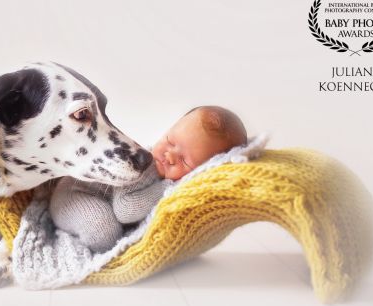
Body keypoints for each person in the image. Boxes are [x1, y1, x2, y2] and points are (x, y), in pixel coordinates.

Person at [49, 106, 248, 253]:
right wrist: (167, 187)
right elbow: (125, 209)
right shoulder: (146, 166)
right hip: (74, 196)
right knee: (103, 230)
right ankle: (71, 245)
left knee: (111, 227)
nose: (169, 156)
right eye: (170, 141)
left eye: (185, 161)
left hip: (96, 200)